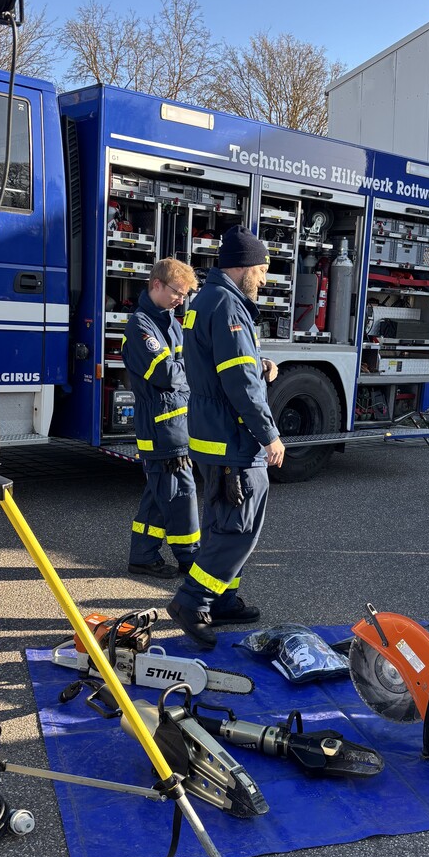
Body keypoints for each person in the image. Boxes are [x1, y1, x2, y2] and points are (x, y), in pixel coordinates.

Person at [166, 225, 285, 649]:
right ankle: (192, 600)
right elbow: (239, 383)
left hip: (213, 434)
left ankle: (222, 599)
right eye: (262, 269)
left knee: (225, 522)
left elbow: (227, 366)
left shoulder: (211, 299)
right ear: (244, 267)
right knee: (237, 529)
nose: (264, 279)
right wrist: (269, 434)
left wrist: (259, 363)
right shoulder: (229, 306)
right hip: (233, 440)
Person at [123, 258, 200, 578]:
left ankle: (142, 555)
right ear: (156, 284)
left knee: (159, 494)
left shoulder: (170, 321)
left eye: (185, 295)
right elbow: (166, 373)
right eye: (177, 292)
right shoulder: (141, 325)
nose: (180, 299)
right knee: (181, 494)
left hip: (174, 424)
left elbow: (181, 366)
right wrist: (196, 374)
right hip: (161, 427)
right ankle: (190, 556)